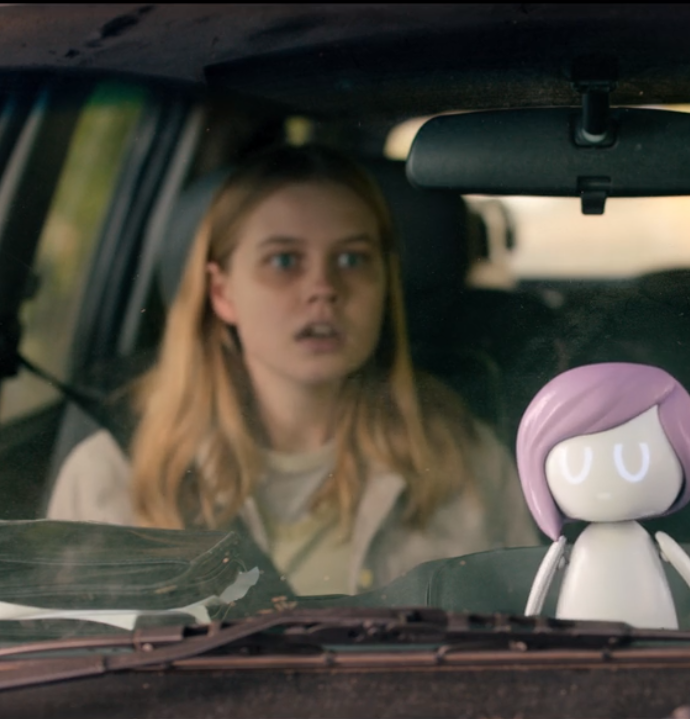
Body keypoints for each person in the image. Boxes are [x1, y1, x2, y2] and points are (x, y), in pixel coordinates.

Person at [48, 144, 538, 595]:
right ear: (222, 292)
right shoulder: (113, 475)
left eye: (352, 259)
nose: (323, 288)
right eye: (283, 261)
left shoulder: (464, 464)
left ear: (384, 284)